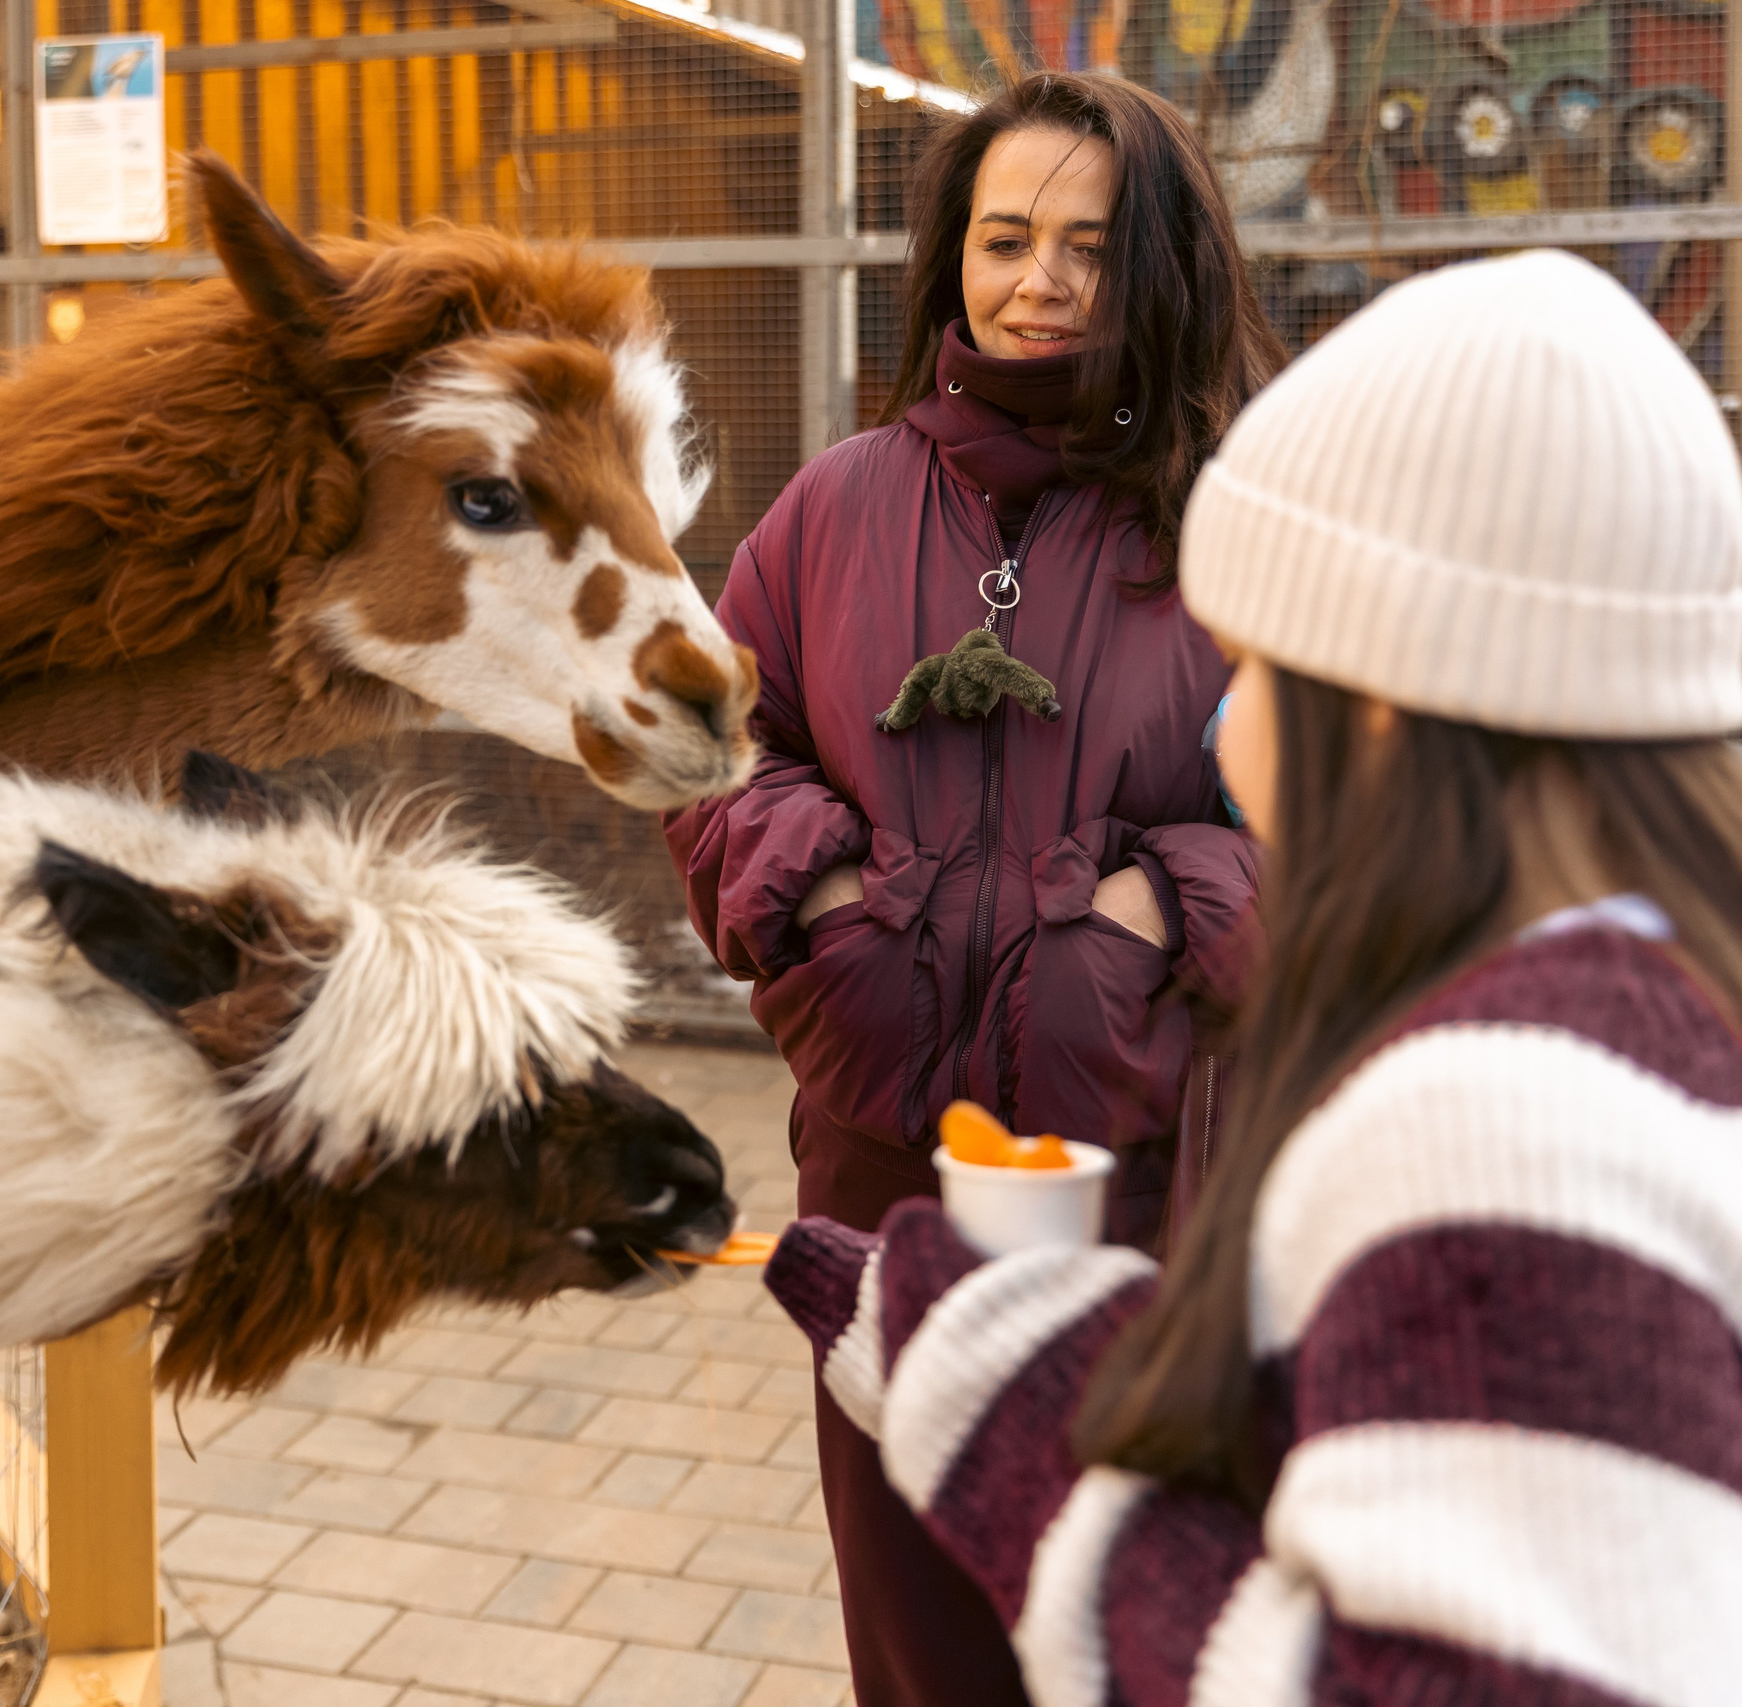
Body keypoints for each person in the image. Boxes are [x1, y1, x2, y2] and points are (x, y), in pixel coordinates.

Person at [764, 249, 1742, 1703]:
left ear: (1392, 700)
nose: (1229, 721)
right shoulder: (1660, 1023)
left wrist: (1013, 1422)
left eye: (1261, 667)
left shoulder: (1510, 1116)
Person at [663, 73, 1279, 1706]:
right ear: (952, 262)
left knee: (1132, 1628)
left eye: (1089, 244)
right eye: (1006, 239)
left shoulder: (1244, 522)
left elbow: (1355, 824)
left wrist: (1163, 906)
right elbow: (715, 751)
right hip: (882, 1174)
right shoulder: (835, 508)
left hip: (1145, 1177)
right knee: (921, 1634)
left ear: (1159, 266)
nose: (1042, 282)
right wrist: (828, 903)